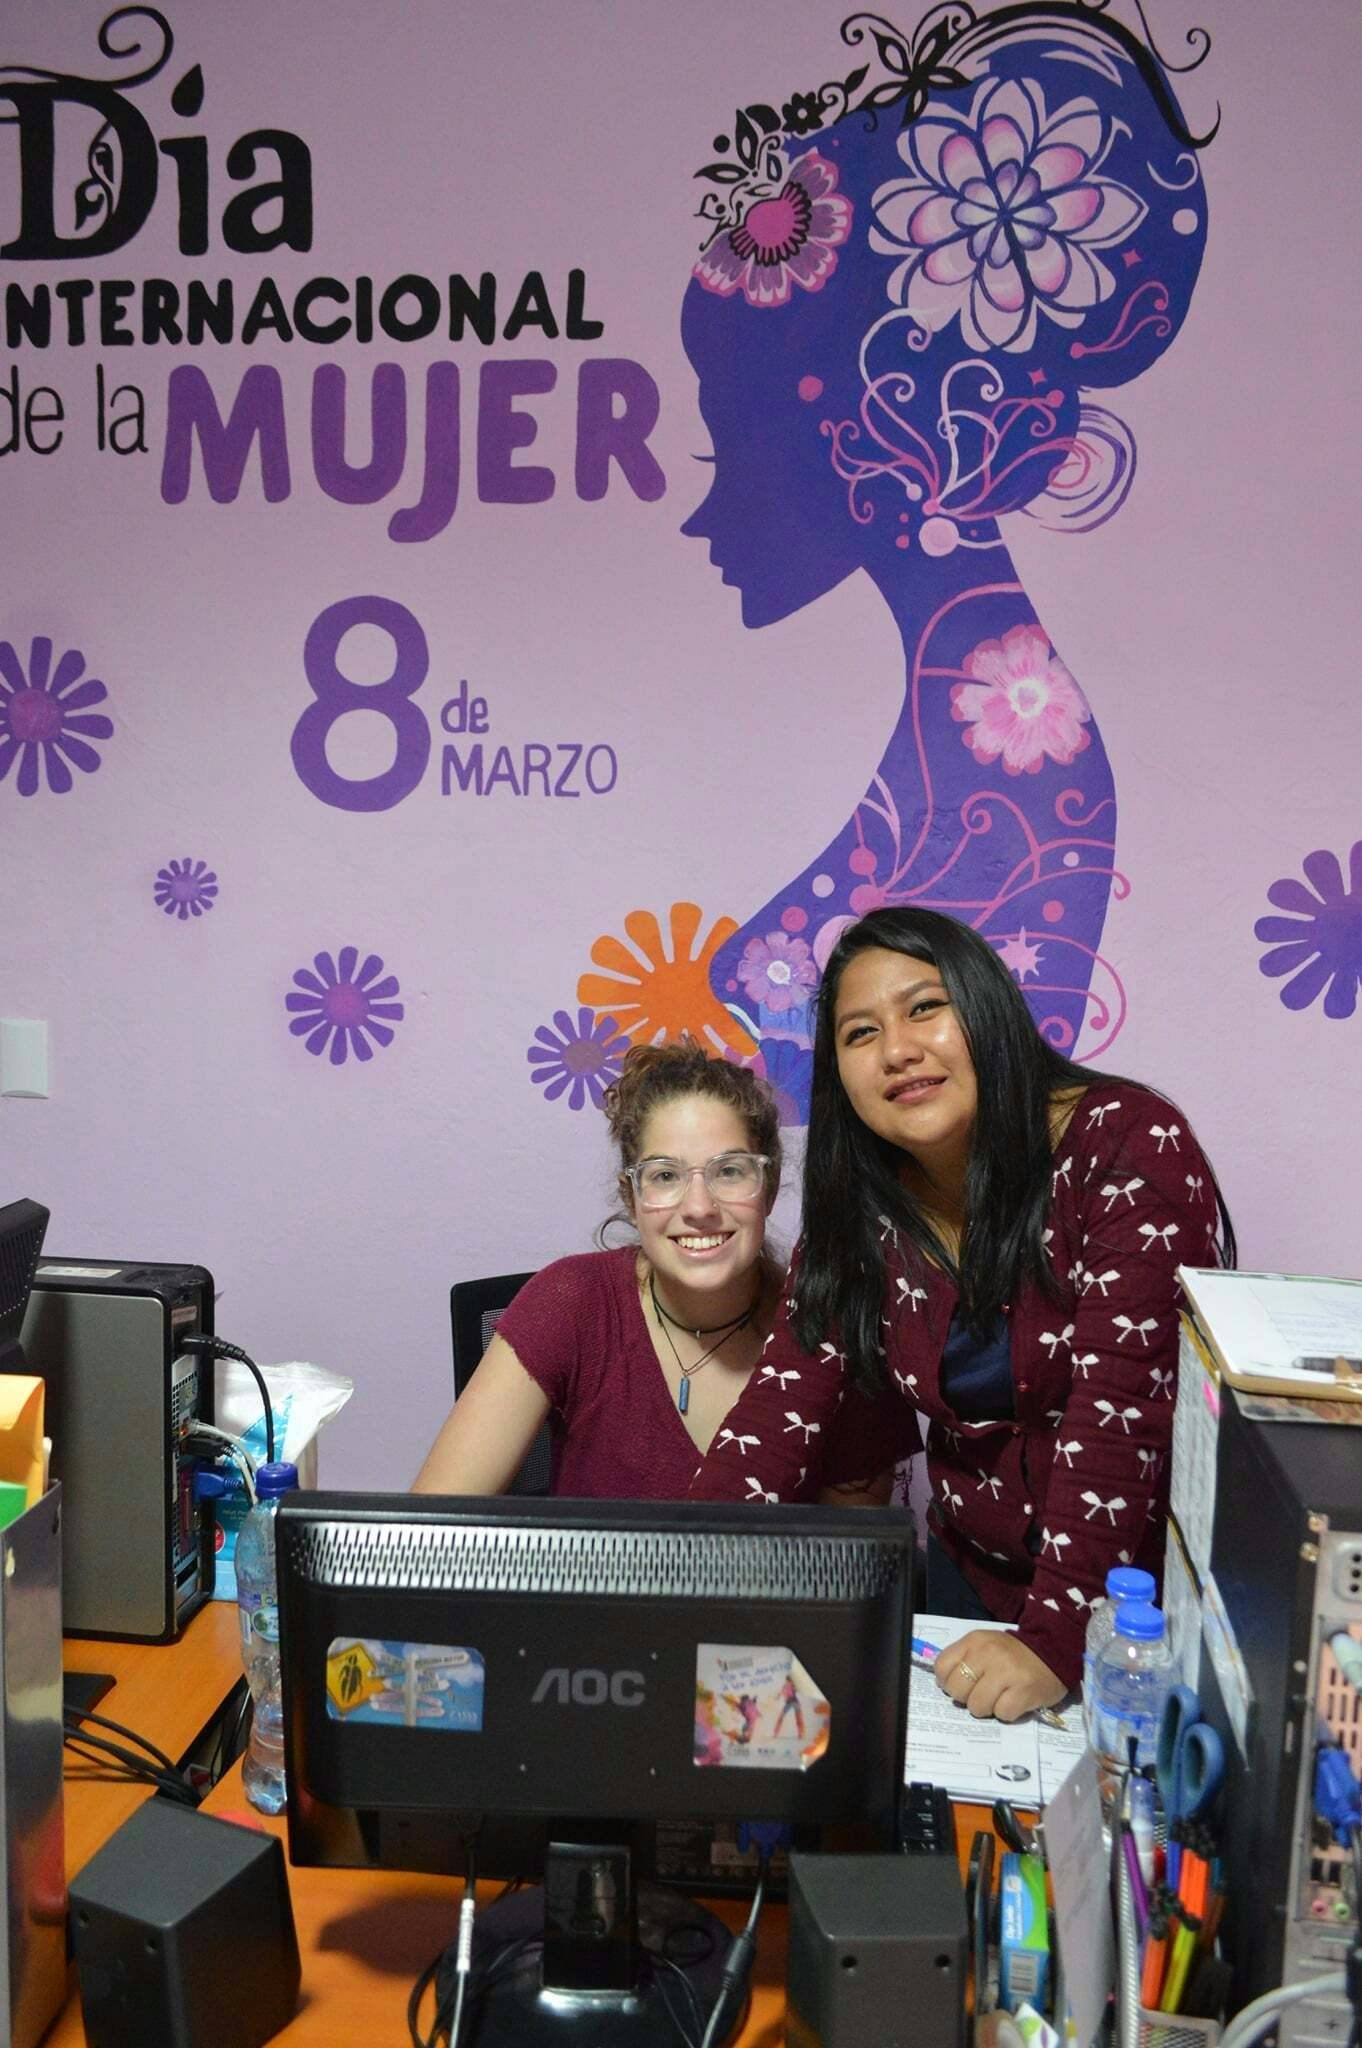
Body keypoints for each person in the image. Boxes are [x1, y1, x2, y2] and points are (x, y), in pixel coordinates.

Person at [678, 7, 1215, 1116]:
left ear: (862, 441)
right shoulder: (976, 735)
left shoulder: (1017, 761)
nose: (706, 510)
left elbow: (1000, 1146)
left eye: (730, 442)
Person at [687, 908, 1234, 1722]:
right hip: (965, 1589)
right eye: (860, 1033)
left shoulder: (1125, 1143)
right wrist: (667, 1587)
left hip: (1139, 1623)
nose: (898, 1050)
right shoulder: (862, 1210)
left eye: (924, 1008)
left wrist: (1058, 1640)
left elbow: (1120, 1416)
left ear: (985, 1009)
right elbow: (776, 1413)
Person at [414, 1039, 880, 1502]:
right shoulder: (571, 1303)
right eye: (665, 1175)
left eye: (730, 1171)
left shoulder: (829, 1328)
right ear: (631, 1200)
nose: (699, 1207)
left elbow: (853, 1566)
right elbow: (429, 1536)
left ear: (770, 1187)